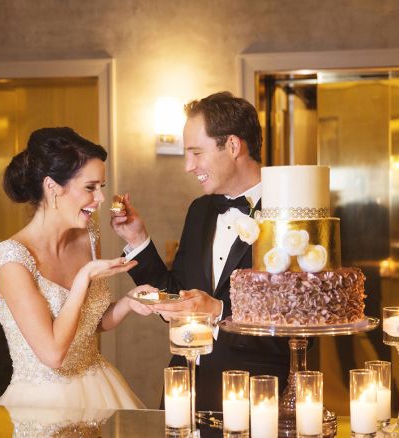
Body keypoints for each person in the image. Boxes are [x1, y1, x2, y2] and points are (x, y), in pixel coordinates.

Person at [111, 92, 290, 411]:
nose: (188, 166)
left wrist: (219, 312)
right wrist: (138, 239)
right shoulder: (199, 211)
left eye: (196, 152)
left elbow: (299, 325)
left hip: (256, 398)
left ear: (233, 146)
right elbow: (178, 297)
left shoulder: (292, 212)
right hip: (185, 393)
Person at [0, 127, 153, 409]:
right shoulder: (12, 259)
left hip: (99, 389)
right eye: (90, 188)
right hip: (42, 404)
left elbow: (90, 323)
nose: (101, 199)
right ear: (53, 187)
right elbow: (53, 354)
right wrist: (83, 279)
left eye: (100, 187)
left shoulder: (88, 237)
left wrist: (129, 301)